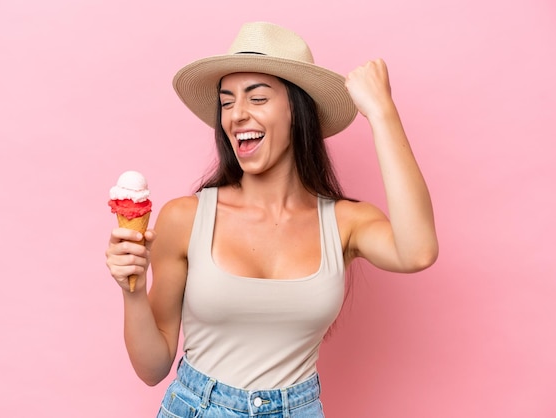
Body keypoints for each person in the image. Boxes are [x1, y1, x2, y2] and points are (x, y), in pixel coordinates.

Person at [105, 21, 438, 417]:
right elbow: (152, 367)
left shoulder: (345, 222)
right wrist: (133, 290)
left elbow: (417, 252)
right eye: (227, 102)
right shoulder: (186, 217)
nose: (236, 115)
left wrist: (382, 113)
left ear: (298, 111)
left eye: (257, 98)